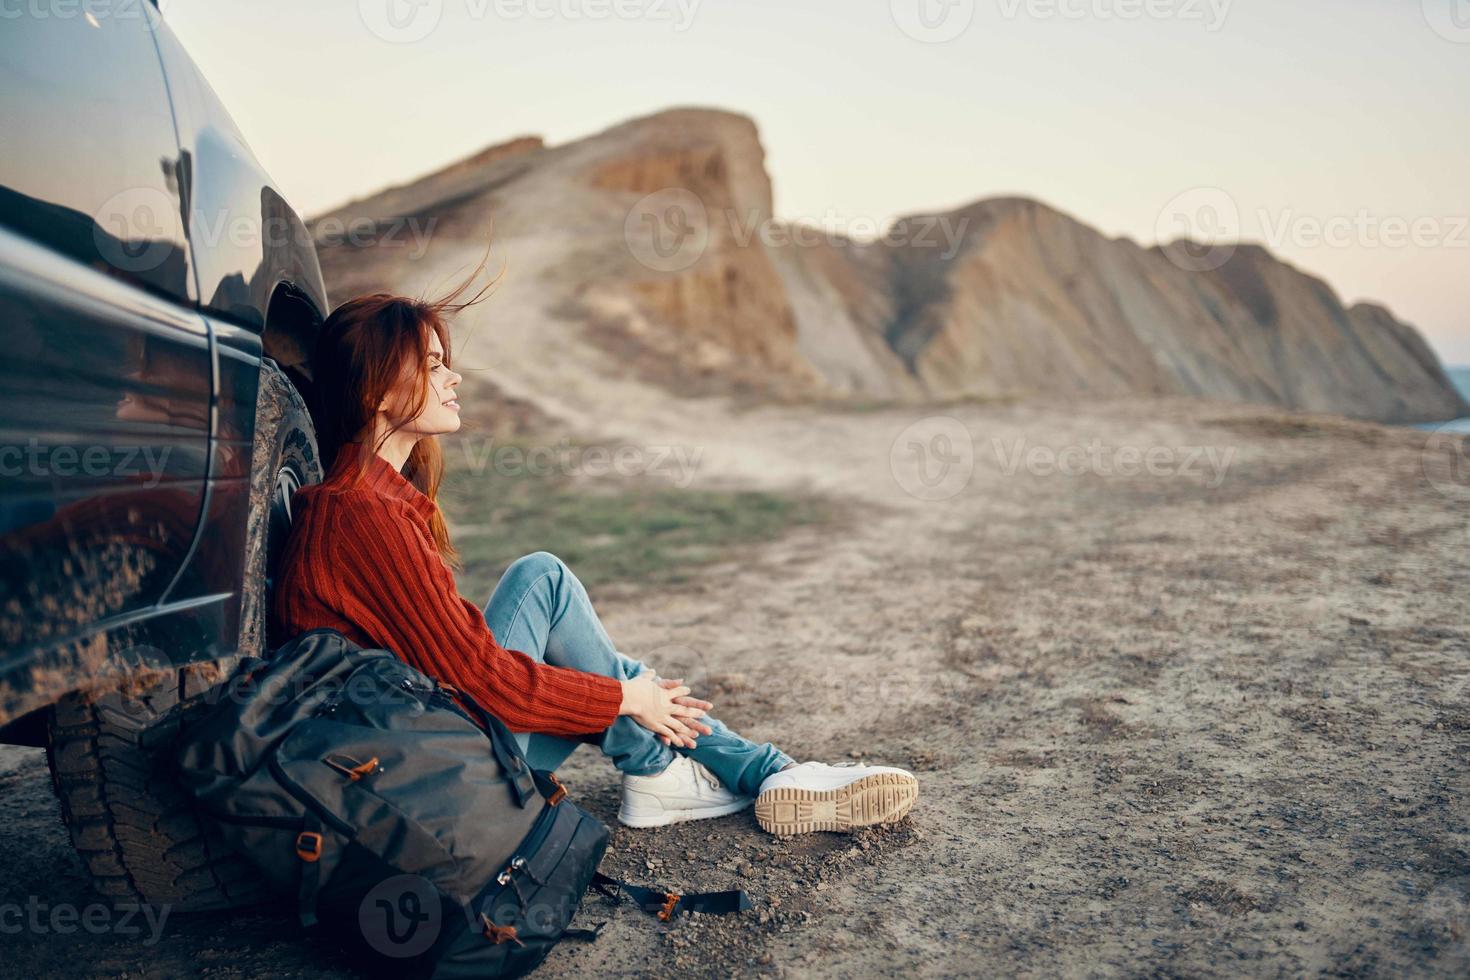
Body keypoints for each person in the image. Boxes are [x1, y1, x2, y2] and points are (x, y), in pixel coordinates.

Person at [270, 258, 918, 837]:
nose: (454, 377)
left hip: (425, 740)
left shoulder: (372, 504)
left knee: (548, 594)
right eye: (434, 364)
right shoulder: (358, 514)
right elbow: (482, 681)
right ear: (376, 391)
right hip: (426, 775)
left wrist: (619, 689)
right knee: (551, 591)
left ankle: (723, 772)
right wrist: (628, 698)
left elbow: (466, 665)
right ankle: (728, 771)